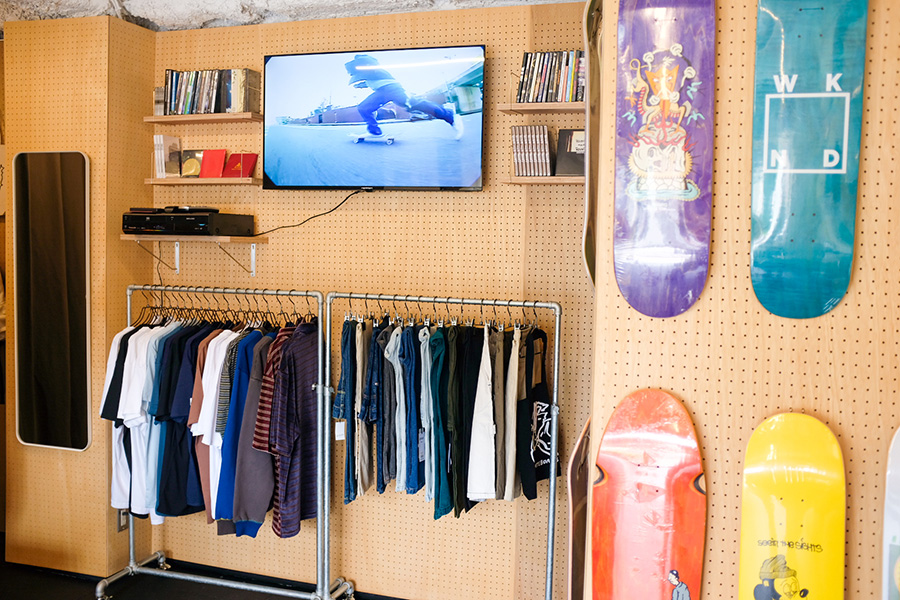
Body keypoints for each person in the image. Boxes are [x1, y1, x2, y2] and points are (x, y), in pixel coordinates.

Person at [344, 54, 464, 140]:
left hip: (393, 89)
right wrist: (361, 84)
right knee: (363, 107)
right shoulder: (369, 76)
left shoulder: (372, 68)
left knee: (412, 104)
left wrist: (359, 64)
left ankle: (449, 115)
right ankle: (374, 131)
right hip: (381, 92)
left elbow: (371, 68)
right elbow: (371, 81)